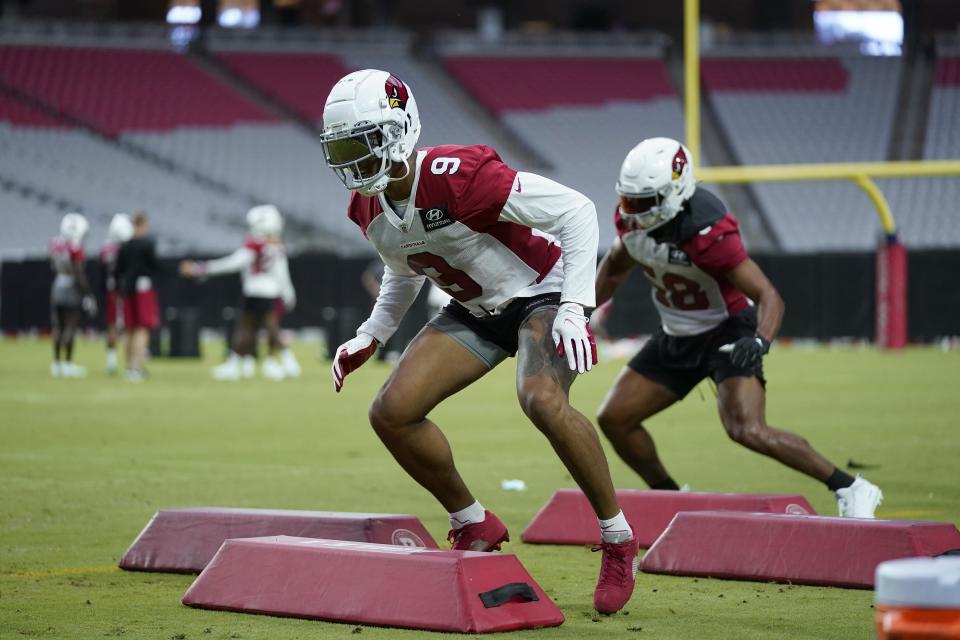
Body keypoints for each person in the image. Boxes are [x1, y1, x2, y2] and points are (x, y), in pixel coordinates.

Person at [321, 69, 637, 614]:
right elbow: (404, 267)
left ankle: (618, 537)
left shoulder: (455, 175)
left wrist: (575, 308)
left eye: (363, 144)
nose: (353, 162)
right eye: (342, 149)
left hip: (542, 293)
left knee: (540, 398)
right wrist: (371, 333)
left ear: (400, 130)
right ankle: (473, 522)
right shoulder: (366, 207)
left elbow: (578, 213)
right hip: (477, 309)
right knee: (392, 411)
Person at [592, 137, 883, 518]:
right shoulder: (632, 224)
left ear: (675, 190)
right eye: (629, 201)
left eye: (644, 202)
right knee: (614, 418)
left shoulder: (707, 233)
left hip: (726, 333)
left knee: (747, 429)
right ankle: (671, 497)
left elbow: (768, 294)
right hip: (676, 335)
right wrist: (579, 311)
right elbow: (614, 266)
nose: (633, 212)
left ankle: (852, 487)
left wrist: (760, 340)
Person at [179, 204, 299, 380]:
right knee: (251, 328)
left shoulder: (256, 243)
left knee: (256, 328)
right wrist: (288, 292)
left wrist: (202, 269)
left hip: (256, 290)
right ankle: (240, 363)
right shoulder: (275, 244)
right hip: (270, 291)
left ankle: (286, 361)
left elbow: (234, 263)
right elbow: (282, 272)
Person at [115, 211, 162, 382]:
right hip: (143, 290)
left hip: (127, 290)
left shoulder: (124, 246)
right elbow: (156, 266)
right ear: (143, 225)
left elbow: (117, 270)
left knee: (129, 329)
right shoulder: (147, 244)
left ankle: (128, 367)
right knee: (142, 329)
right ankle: (137, 368)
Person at [48, 212, 96, 377]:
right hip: (71, 288)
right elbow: (78, 273)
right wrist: (88, 295)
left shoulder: (56, 243)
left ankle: (56, 363)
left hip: (57, 286)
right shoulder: (75, 247)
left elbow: (52, 265)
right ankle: (67, 364)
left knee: (58, 327)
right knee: (70, 326)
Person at [100, 213, 134, 375]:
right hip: (124, 290)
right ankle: (130, 363)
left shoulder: (106, 248)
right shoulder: (125, 247)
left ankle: (111, 362)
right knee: (128, 327)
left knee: (112, 326)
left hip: (110, 290)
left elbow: (102, 270)